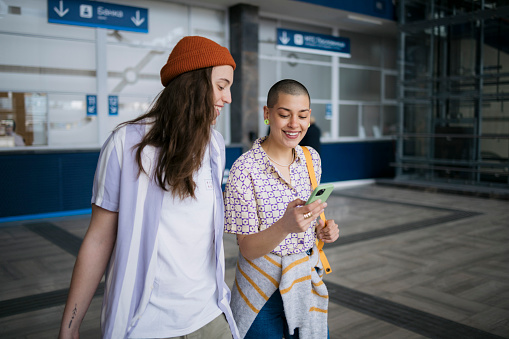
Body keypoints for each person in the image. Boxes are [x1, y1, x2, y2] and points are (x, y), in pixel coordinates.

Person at [58, 36, 240, 339]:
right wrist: (70, 326)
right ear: (193, 84)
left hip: (210, 317)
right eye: (221, 85)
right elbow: (99, 239)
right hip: (144, 324)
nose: (228, 97)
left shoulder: (215, 147)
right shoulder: (126, 145)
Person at [224, 79, 340, 339]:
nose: (293, 124)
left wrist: (324, 230)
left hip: (303, 283)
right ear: (267, 114)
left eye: (302, 116)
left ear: (309, 118)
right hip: (261, 293)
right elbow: (247, 248)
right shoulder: (244, 170)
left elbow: (309, 221)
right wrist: (285, 226)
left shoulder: (311, 159)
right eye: (284, 115)